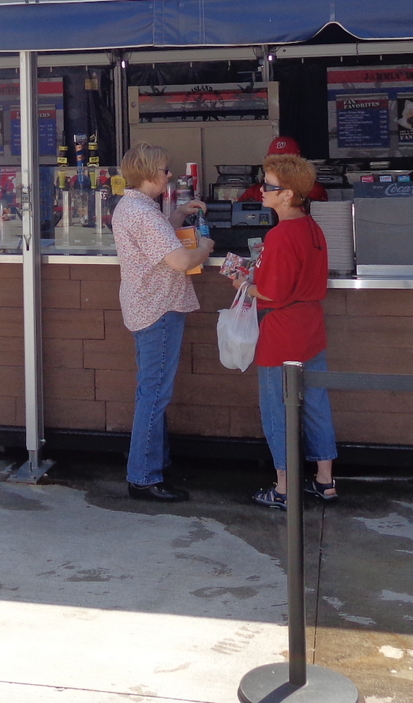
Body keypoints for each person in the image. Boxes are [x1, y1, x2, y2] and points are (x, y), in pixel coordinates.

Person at [231, 153, 339, 508]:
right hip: (312, 328)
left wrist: (243, 285)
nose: (262, 190)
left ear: (288, 194)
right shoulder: (314, 228)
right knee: (316, 405)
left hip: (281, 333)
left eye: (269, 186)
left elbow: (272, 293)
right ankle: (325, 480)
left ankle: (284, 487)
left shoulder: (279, 235)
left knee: (276, 409)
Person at [112, 141, 212, 502]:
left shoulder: (134, 206)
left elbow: (158, 240)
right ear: (151, 173)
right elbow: (181, 262)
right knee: (154, 394)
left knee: (151, 390)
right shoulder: (144, 213)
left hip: (144, 307)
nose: (170, 175)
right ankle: (143, 476)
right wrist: (205, 246)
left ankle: (154, 461)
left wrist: (180, 213)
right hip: (160, 309)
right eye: (166, 170)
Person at [237, 136, 329, 204]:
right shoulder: (256, 191)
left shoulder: (312, 189)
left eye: (285, 163)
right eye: (274, 163)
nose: (279, 168)